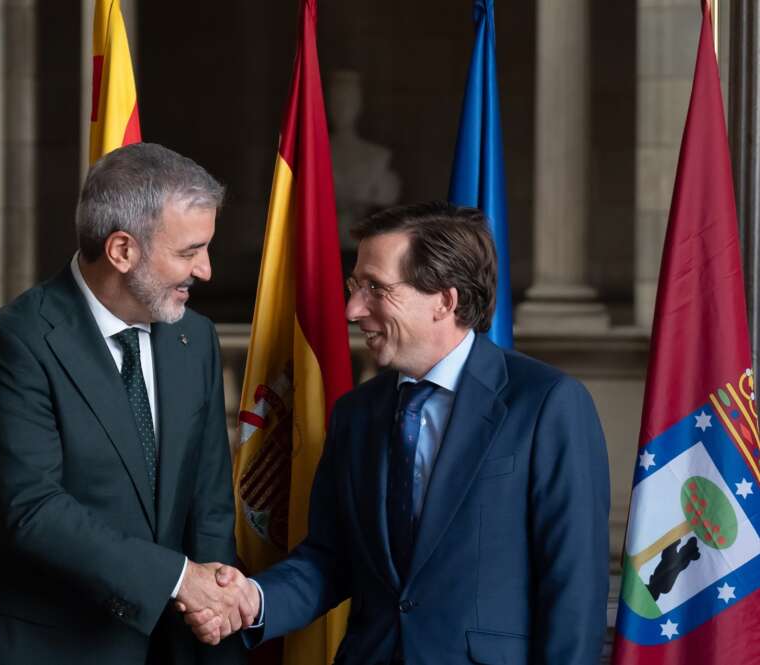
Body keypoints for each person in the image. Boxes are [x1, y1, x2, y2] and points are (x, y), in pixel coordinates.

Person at [184, 202, 610, 665]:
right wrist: (252, 600)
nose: (352, 309)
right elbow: (331, 558)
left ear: (444, 301)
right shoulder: (356, 414)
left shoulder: (546, 404)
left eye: (375, 289)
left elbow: (574, 587)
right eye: (354, 287)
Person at [0, 143, 251, 665]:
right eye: (189, 251)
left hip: (174, 645)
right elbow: (32, 511)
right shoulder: (13, 344)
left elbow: (209, 502)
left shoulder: (194, 338)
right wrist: (179, 581)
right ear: (121, 251)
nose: (205, 271)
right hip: (45, 647)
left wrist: (215, 609)